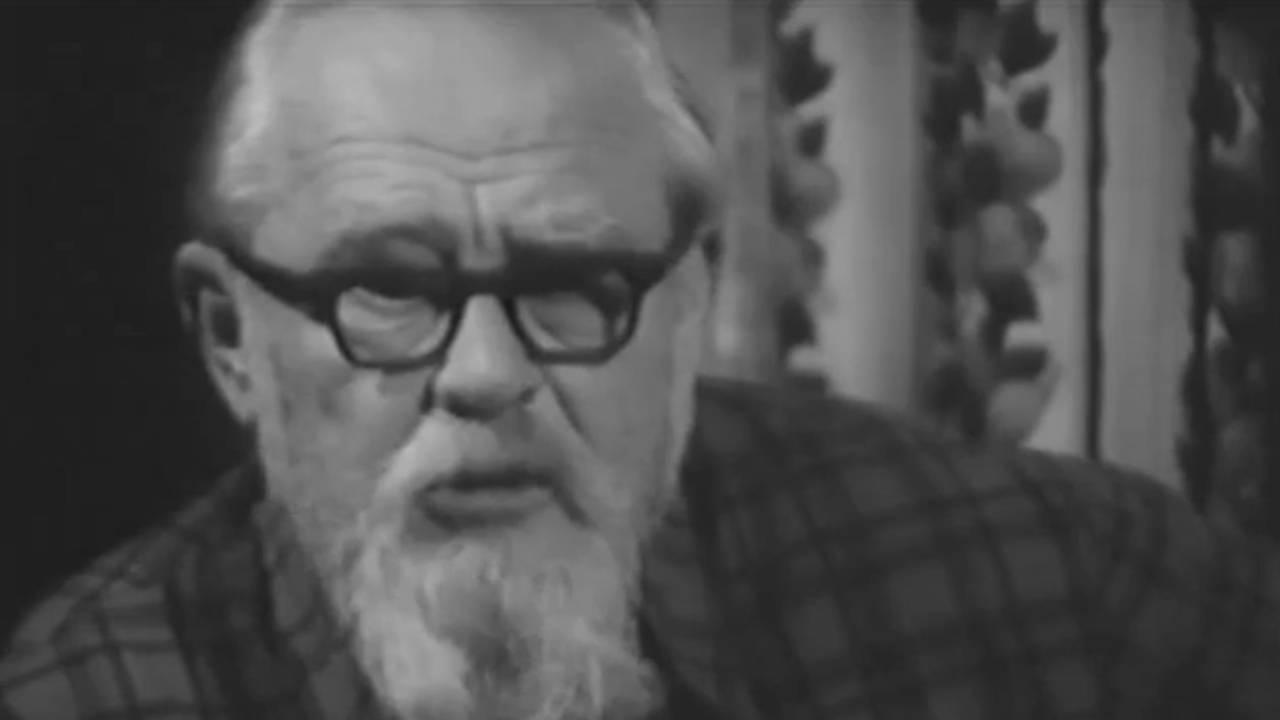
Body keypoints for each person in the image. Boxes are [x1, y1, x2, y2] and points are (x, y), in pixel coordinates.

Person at [2, 1, 1277, 718]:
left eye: (572, 280)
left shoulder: (1038, 578)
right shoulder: (94, 693)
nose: (485, 374)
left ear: (690, 299)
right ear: (231, 338)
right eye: (384, 287)